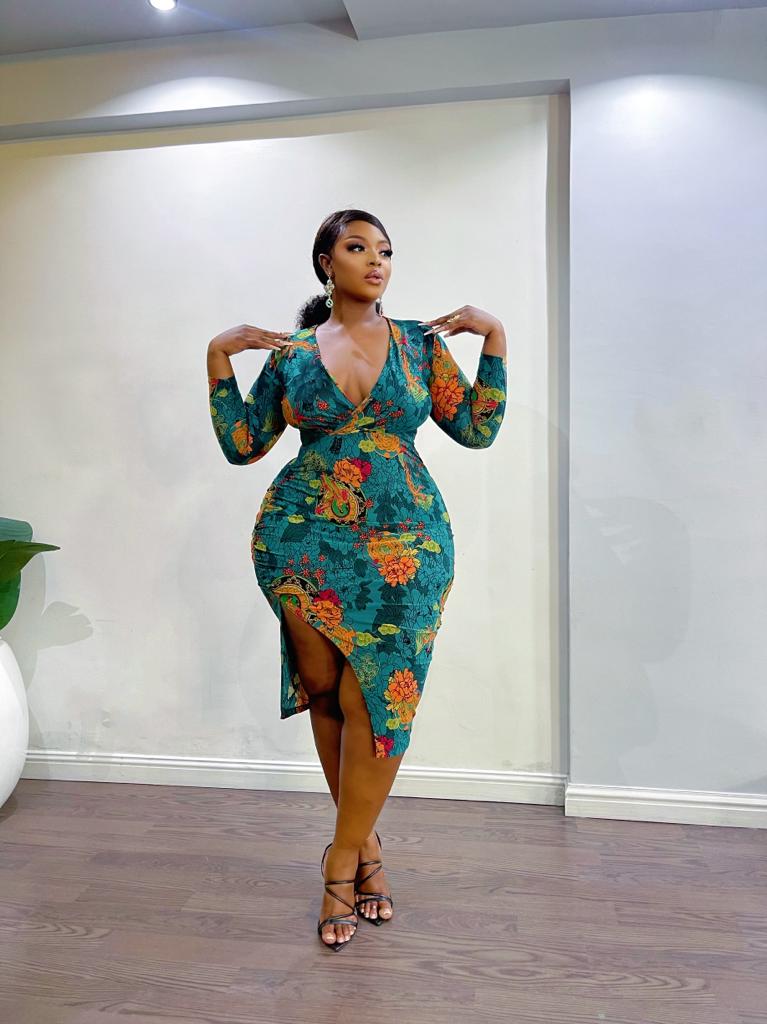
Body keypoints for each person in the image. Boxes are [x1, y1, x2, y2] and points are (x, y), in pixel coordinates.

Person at [206, 209, 508, 950]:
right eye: (358, 247)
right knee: (326, 691)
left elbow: (477, 429)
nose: (376, 261)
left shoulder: (419, 345)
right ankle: (365, 846)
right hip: (301, 541)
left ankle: (340, 860)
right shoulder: (292, 354)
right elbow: (243, 445)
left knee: (378, 695)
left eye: (386, 251)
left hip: (407, 543)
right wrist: (217, 356)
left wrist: (494, 338)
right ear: (326, 262)